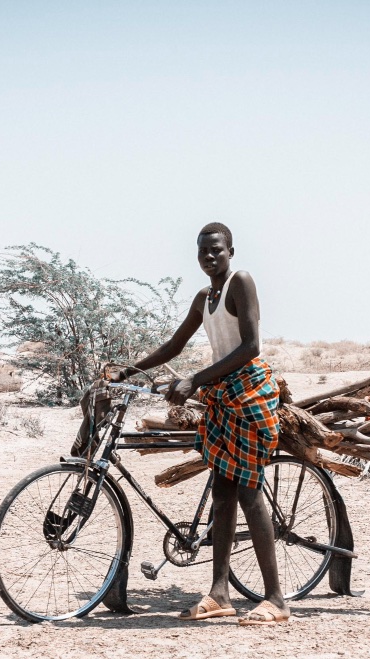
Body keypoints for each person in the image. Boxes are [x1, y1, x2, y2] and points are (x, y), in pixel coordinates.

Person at [115, 222, 288, 625]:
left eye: (217, 250)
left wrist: (195, 379)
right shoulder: (203, 297)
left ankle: (277, 600)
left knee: (248, 492)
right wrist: (128, 371)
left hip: (248, 395)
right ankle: (219, 593)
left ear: (231, 251)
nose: (210, 257)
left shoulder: (240, 282)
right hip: (222, 396)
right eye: (203, 252)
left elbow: (251, 346)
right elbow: (174, 345)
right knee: (223, 495)